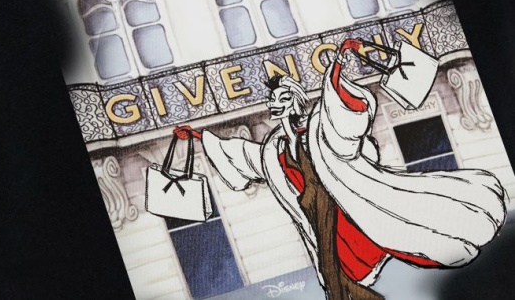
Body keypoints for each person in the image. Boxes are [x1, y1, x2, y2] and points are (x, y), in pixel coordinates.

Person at [193, 39, 507, 300]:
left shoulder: (317, 128)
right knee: (335, 279)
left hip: (342, 209)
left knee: (343, 274)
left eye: (283, 98)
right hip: (316, 219)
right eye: (275, 100)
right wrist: (200, 137)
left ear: (294, 100)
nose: (277, 105)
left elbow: (341, 122)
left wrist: (336, 72)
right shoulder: (274, 147)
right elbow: (247, 156)